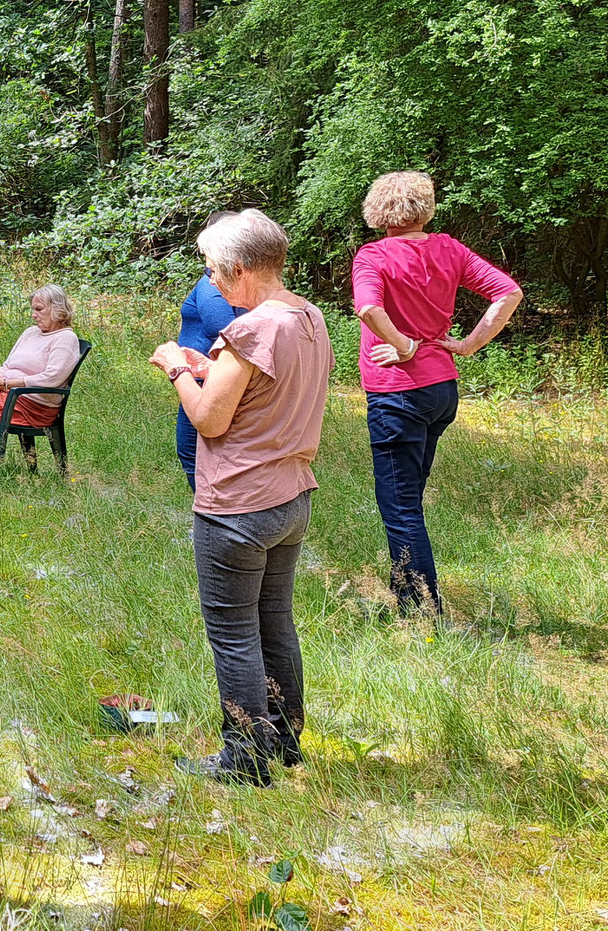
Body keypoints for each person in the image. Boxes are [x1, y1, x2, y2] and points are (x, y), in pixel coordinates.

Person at [150, 210, 332, 787]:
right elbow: (264, 387)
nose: (212, 282)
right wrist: (212, 367)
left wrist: (178, 366)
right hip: (291, 498)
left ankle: (244, 756)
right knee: (275, 620)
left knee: (233, 632)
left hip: (237, 505)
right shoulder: (308, 316)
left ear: (238, 269)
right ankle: (283, 736)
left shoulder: (250, 330)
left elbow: (208, 418)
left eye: (213, 271)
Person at [352, 171, 523, 613]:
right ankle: (409, 592)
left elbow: (368, 308)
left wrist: (405, 346)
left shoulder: (374, 255)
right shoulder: (449, 248)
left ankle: (421, 611)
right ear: (425, 208)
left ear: (379, 212)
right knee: (409, 498)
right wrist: (468, 345)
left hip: (399, 393)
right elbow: (508, 292)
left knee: (401, 505)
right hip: (442, 390)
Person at [174, 252, 247, 492]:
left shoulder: (211, 286)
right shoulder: (217, 283)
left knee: (192, 453)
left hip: (209, 381)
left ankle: (211, 522)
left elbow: (224, 328)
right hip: (209, 374)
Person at [0, 284, 81, 464]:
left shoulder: (65, 338)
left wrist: (8, 383)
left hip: (32, 406)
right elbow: (8, 365)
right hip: (8, 394)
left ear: (58, 310)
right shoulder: (30, 332)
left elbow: (53, 377)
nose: (34, 315)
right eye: (33, 309)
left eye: (39, 309)